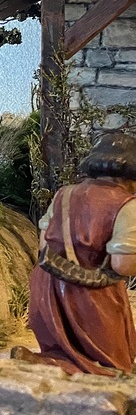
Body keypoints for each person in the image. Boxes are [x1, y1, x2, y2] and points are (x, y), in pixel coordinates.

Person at [12, 132, 136, 375]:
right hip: (90, 291)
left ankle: (48, 360)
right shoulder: (127, 205)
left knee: (64, 345)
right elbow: (123, 265)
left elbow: (43, 243)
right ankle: (54, 365)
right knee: (109, 362)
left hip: (48, 284)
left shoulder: (64, 194)